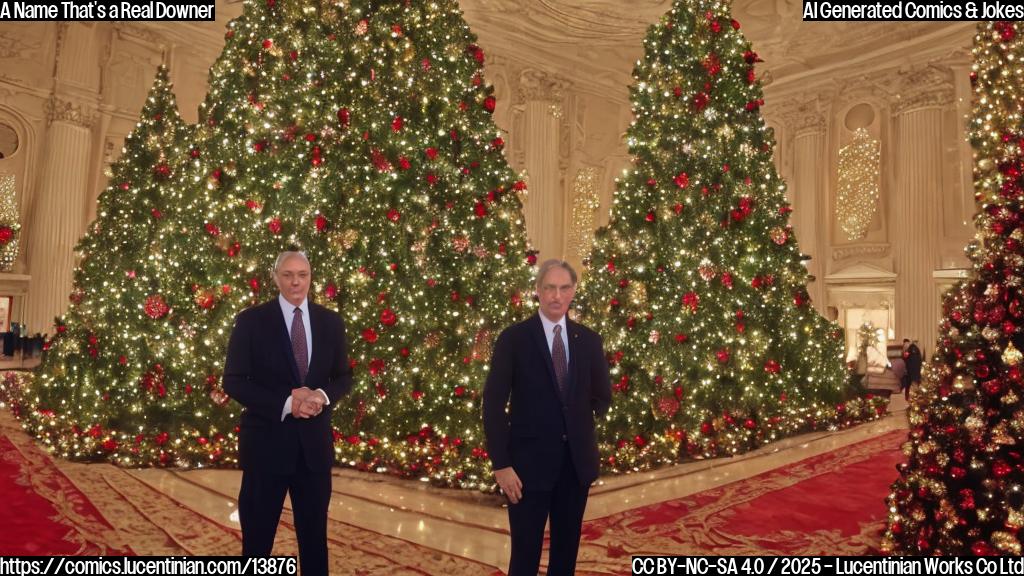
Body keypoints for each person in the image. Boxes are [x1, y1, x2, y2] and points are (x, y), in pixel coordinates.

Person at [223, 251, 352, 576]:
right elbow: (234, 381)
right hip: (265, 448)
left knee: (314, 542)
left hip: (314, 452)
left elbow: (343, 377)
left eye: (302, 275)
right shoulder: (251, 321)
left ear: (311, 277)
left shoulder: (331, 322)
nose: (296, 282)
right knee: (257, 542)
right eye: (288, 275)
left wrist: (321, 396)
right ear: (275, 277)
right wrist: (286, 403)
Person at [483, 259, 612, 576]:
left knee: (565, 558)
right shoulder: (514, 339)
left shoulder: (589, 341)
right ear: (538, 291)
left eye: (564, 288)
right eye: (550, 288)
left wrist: (577, 427)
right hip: (526, 471)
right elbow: (493, 404)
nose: (557, 295)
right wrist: (502, 464)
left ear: (574, 291)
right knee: (524, 559)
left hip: (574, 468)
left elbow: (602, 397)